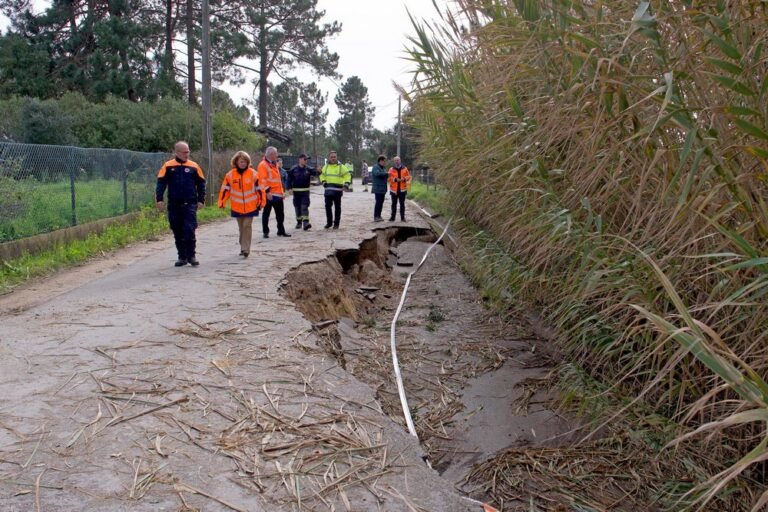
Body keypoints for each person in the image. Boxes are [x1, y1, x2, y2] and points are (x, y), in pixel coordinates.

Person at [156, 141, 206, 267]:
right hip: (174, 204)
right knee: (177, 230)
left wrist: (201, 200)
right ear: (177, 152)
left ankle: (191, 256)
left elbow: (201, 183)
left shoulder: (194, 166)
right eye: (184, 152)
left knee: (189, 229)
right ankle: (182, 257)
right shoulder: (168, 166)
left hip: (190, 203)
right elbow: (161, 183)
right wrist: (159, 199)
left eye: (188, 151)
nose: (187, 154)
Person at [217, 151, 263, 257]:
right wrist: (222, 202)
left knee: (247, 226)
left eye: (245, 162)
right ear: (236, 162)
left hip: (251, 206)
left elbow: (260, 190)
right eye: (241, 161)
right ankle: (243, 246)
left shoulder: (254, 174)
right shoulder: (230, 175)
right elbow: (225, 190)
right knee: (241, 228)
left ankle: (246, 249)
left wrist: (261, 202)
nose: (243, 163)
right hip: (237, 207)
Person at [256, 146, 291, 238]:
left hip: (278, 194)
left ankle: (281, 231)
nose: (277, 155)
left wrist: (282, 192)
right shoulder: (262, 165)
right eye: (276, 154)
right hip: (269, 194)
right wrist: (267, 192)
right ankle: (265, 232)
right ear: (271, 154)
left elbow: (278, 181)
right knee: (266, 214)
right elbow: (262, 180)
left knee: (280, 214)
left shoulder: (274, 164)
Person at [319, 150, 351, 229]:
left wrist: (346, 184)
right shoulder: (325, 167)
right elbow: (322, 175)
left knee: (337, 208)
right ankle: (329, 223)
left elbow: (348, 175)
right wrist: (323, 182)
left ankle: (336, 224)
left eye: (334, 157)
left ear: (336, 157)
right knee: (327, 207)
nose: (333, 158)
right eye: (331, 157)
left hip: (337, 191)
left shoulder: (341, 167)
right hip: (328, 191)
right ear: (329, 158)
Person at [286, 153, 317, 231]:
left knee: (304, 207)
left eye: (307, 159)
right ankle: (299, 222)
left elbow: (316, 173)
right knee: (297, 207)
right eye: (305, 159)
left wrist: (319, 171)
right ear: (300, 159)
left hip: (305, 192)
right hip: (296, 192)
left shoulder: (308, 169)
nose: (306, 161)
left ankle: (306, 223)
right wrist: (289, 188)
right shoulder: (293, 169)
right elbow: (289, 179)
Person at [388, 156, 411, 222]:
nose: (397, 161)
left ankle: (402, 218)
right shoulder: (391, 169)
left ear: (400, 161)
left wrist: (404, 179)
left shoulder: (405, 168)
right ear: (394, 161)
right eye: (395, 160)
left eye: (398, 160)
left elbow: (408, 177)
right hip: (394, 190)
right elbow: (388, 178)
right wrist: (395, 179)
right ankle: (392, 217)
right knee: (393, 204)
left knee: (402, 204)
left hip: (402, 190)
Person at [371, 155, 388, 222]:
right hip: (378, 188)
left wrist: (386, 174)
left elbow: (384, 175)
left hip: (383, 189)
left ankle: (379, 215)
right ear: (380, 161)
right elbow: (377, 174)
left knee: (381, 203)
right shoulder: (375, 167)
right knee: (378, 203)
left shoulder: (383, 168)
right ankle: (376, 216)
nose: (385, 162)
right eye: (384, 161)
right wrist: (386, 173)